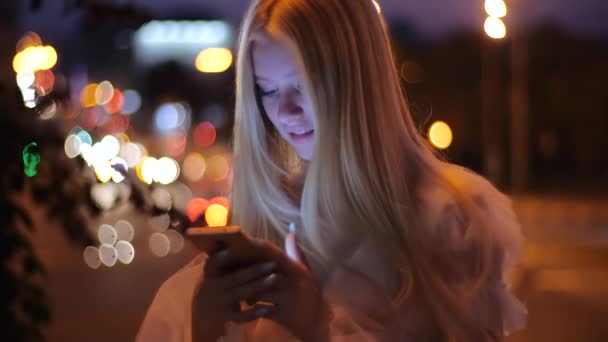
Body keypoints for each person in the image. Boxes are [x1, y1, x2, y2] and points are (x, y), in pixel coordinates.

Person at [136, 0, 527, 341]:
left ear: (357, 80)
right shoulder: (272, 218)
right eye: (268, 91)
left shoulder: (452, 218)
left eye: (302, 84)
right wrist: (203, 325)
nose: (285, 112)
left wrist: (313, 326)